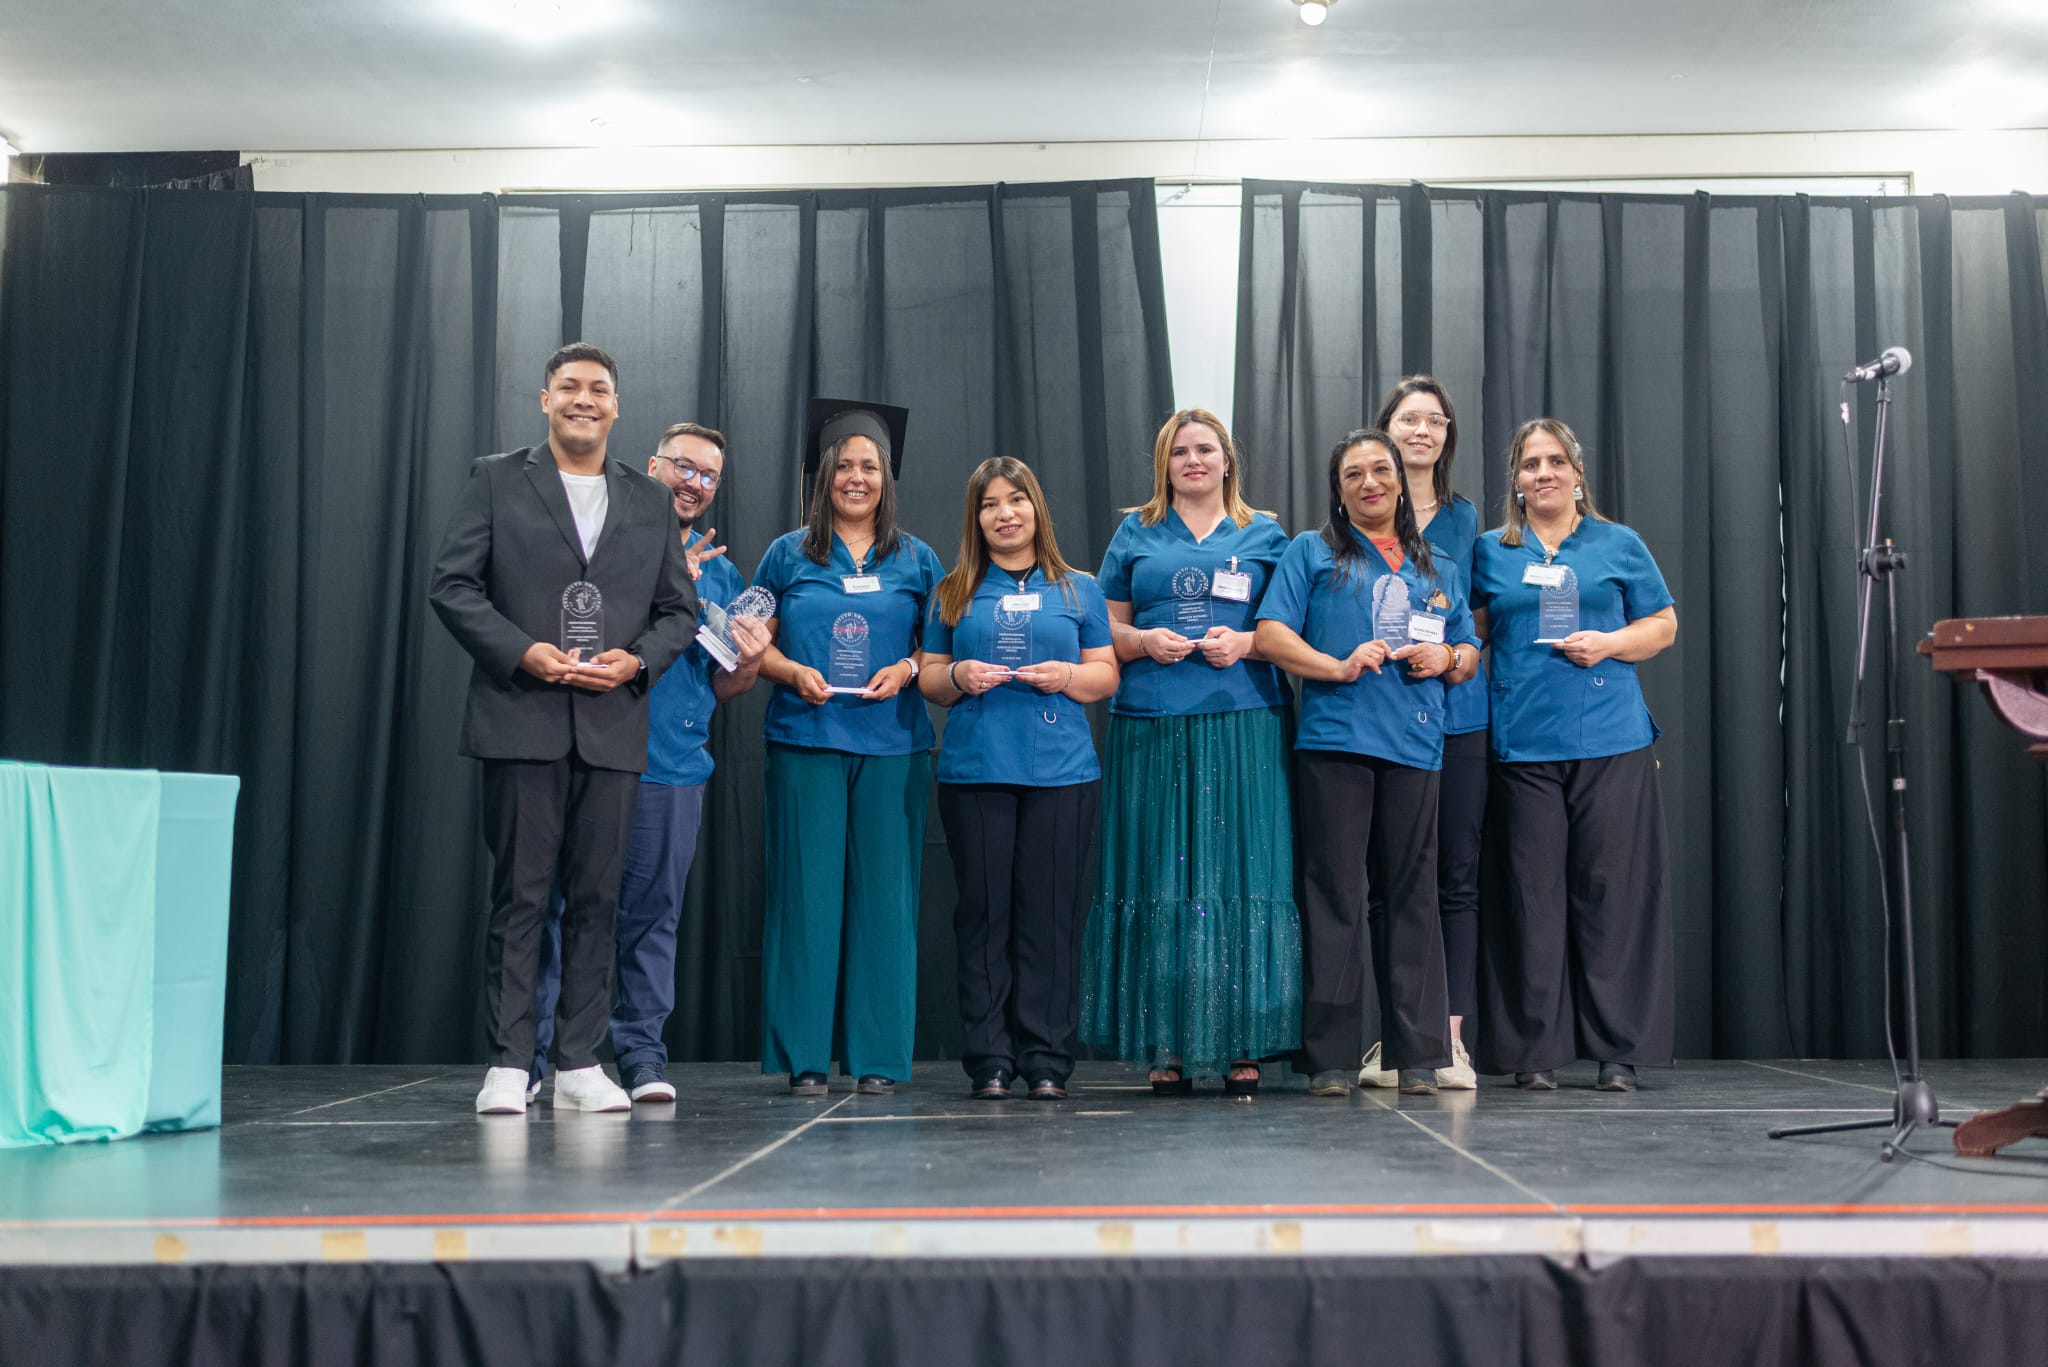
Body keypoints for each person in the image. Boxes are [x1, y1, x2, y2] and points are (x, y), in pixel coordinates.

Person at [430, 342, 697, 1116]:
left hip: (613, 723)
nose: (585, 398)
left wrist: (635, 661)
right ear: (545, 399)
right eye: (570, 386)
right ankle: (511, 1062)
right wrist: (523, 651)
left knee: (597, 898)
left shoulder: (651, 499)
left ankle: (581, 1061)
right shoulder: (494, 479)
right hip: (522, 716)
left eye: (599, 389)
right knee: (520, 896)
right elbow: (452, 585)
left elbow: (678, 610)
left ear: (617, 406)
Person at [529, 422, 770, 1103]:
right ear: (651, 466)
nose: (694, 483)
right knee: (558, 910)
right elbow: (571, 628)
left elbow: (727, 683)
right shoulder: (596, 544)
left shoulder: (723, 573)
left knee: (652, 917)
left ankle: (641, 1058)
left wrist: (751, 661)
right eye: (683, 467)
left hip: (673, 766)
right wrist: (664, 583)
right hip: (587, 754)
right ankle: (538, 1059)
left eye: (708, 475)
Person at [1079, 408, 1301, 1097]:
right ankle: (1166, 1041)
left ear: (1228, 460)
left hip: (1245, 722)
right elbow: (1101, 634)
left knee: (1243, 872)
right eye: (1181, 452)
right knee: (1160, 875)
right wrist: (1143, 641)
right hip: (1152, 724)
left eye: (1206, 449)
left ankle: (1245, 1042)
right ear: (1164, 464)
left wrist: (1249, 642)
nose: (1194, 460)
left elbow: (1292, 629)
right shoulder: (1135, 533)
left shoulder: (1266, 534)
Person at [1255, 429, 1479, 1097]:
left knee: (1413, 895)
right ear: (1339, 489)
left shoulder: (1438, 564)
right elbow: (1271, 634)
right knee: (1334, 894)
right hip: (1337, 741)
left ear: (1400, 482)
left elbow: (1468, 650)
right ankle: (1330, 1057)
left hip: (1416, 743)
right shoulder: (1312, 551)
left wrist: (1449, 657)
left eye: (1381, 470)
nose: (1370, 482)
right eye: (1353, 474)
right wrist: (1336, 665)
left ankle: (1418, 1056)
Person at [1470, 418, 1677, 1093]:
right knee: (1530, 898)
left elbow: (1663, 625)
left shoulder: (1619, 544)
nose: (1544, 474)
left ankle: (1618, 1051)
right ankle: (1534, 1050)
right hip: (1522, 744)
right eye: (1530, 464)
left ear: (1578, 473)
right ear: (1516, 481)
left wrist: (1609, 644)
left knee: (1611, 895)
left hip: (1611, 739)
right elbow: (1471, 635)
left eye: (1556, 461)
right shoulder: (1490, 551)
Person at [752, 399, 943, 1098]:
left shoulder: (917, 558)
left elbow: (941, 647)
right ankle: (805, 1056)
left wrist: (910, 667)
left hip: (892, 745)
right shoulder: (786, 554)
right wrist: (787, 671)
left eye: (870, 466)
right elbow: (749, 641)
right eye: (845, 465)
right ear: (824, 473)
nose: (857, 478)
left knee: (886, 902)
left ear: (886, 478)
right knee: (806, 897)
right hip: (806, 739)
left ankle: (879, 1057)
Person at [921, 458, 1119, 1101]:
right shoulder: (952, 590)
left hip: (1062, 773)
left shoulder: (1080, 589)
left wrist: (1067, 676)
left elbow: (1105, 673)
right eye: (990, 505)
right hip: (976, 770)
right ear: (975, 518)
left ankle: (1046, 1058)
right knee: (983, 915)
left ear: (1037, 508)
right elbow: (930, 676)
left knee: (1050, 916)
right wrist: (958, 676)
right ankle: (990, 1060)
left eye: (1016, 500)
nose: (1004, 514)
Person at [1358, 377, 1485, 1091]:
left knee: (1455, 879)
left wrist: (1456, 657)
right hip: (1378, 720)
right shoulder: (1357, 514)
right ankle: (1397, 1035)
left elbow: (1478, 618)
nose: (1422, 431)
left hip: (1456, 715)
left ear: (1447, 435)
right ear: (1386, 429)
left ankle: (1450, 1040)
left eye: (1435, 420)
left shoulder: (1467, 520)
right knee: (1390, 880)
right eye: (1409, 418)